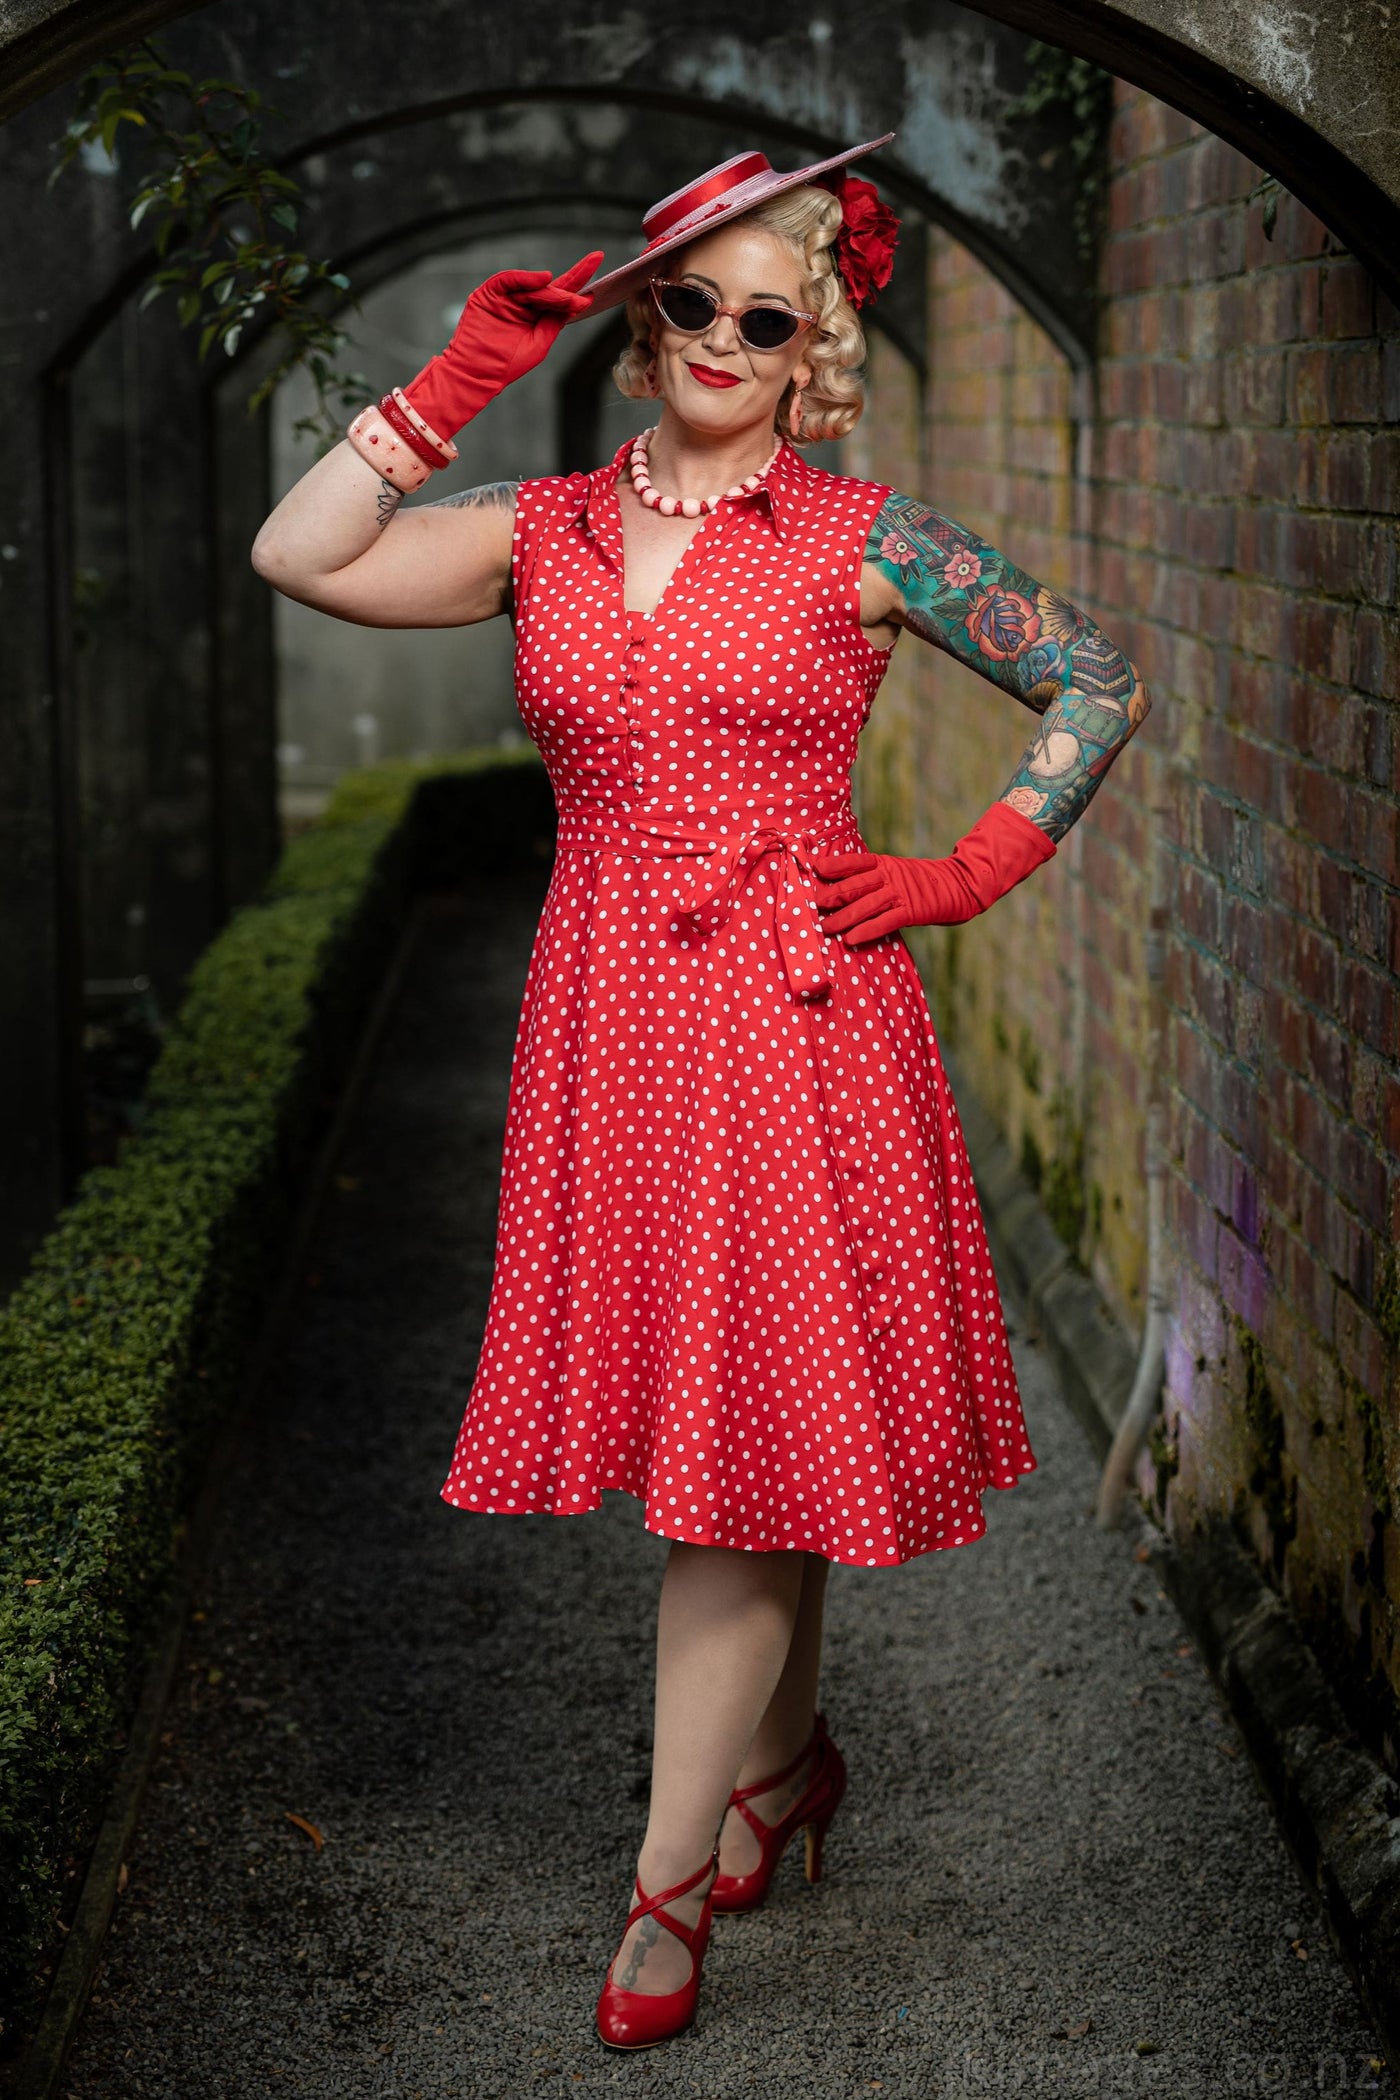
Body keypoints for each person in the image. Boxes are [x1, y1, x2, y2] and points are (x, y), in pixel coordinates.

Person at [250, 134, 1151, 2052]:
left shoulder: (867, 539)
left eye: (773, 309)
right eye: (694, 301)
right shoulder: (540, 528)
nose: (730, 337)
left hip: (802, 1026)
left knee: (726, 1476)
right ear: (642, 318)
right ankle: (786, 1766)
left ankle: (662, 1902)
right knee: (737, 1421)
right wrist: (453, 383)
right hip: (607, 1031)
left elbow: (1094, 679)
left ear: (813, 331)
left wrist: (965, 871)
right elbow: (298, 554)